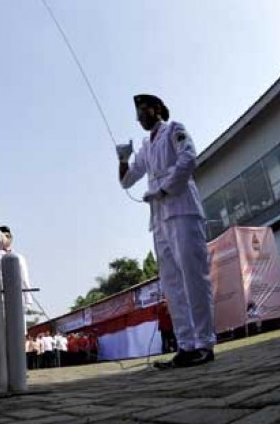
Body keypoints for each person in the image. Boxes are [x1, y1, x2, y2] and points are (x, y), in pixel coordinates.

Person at [118, 94, 215, 369]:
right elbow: (127, 181)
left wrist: (163, 189)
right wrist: (123, 159)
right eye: (137, 114)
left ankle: (204, 343)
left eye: (144, 110)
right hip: (159, 218)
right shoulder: (146, 146)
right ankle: (186, 346)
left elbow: (188, 159)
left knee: (193, 277)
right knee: (172, 284)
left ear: (157, 108)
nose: (140, 117)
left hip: (181, 207)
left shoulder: (175, 129)